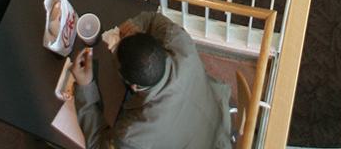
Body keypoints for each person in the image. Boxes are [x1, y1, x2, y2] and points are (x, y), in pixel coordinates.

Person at [70, 9, 231, 149]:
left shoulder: (132, 134)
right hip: (219, 121)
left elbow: (98, 144)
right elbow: (154, 19)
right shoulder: (180, 41)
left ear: (134, 86)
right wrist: (133, 25)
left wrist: (85, 86)